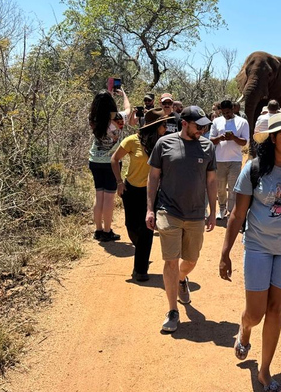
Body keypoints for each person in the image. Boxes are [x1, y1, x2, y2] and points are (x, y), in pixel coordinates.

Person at [219, 111, 281, 392]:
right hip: (258, 247)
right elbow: (237, 214)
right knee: (255, 312)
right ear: (272, 139)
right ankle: (245, 328)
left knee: (276, 309)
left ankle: (265, 371)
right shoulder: (254, 169)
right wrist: (225, 253)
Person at [146, 106, 217, 333]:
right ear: (184, 123)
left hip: (196, 213)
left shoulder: (207, 147)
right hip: (168, 211)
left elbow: (212, 181)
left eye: (205, 126)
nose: (202, 130)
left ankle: (181, 279)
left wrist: (213, 211)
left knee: (191, 260)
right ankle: (172, 310)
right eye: (199, 126)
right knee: (170, 261)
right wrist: (150, 209)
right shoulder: (164, 144)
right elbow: (153, 177)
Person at [111, 108, 172, 282]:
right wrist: (119, 182)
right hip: (131, 190)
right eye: (163, 125)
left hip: (151, 192)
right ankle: (141, 251)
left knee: (146, 229)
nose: (166, 129)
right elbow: (114, 159)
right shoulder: (132, 141)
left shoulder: (163, 143)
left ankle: (140, 269)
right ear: (155, 127)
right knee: (132, 227)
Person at [88, 88, 130, 242]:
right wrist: (123, 94)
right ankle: (107, 231)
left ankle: (98, 230)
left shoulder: (93, 118)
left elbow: (103, 110)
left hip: (95, 161)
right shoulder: (118, 118)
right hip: (111, 162)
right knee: (109, 198)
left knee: (99, 196)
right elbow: (128, 109)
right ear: (111, 104)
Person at [209, 100, 250, 220]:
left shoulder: (242, 122)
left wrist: (234, 138)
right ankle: (221, 208)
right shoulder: (216, 121)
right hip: (219, 159)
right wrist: (220, 138)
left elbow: (245, 142)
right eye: (223, 113)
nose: (226, 115)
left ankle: (231, 210)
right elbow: (211, 140)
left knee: (233, 188)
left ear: (233, 109)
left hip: (235, 160)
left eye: (228, 112)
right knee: (220, 187)